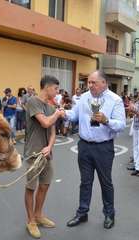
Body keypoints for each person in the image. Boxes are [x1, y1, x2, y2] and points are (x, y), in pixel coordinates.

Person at [65, 70, 126, 229]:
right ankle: (82, 213)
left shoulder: (115, 100)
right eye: (89, 82)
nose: (89, 85)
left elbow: (121, 125)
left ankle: (109, 214)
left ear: (104, 83)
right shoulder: (84, 97)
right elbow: (74, 115)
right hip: (84, 145)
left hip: (103, 148)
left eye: (93, 82)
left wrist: (106, 120)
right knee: (85, 182)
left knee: (106, 182)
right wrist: (61, 113)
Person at [23, 75, 65, 239]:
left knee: (45, 184)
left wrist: (50, 146)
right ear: (47, 87)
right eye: (55, 88)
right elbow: (45, 123)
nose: (57, 92)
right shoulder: (33, 101)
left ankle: (39, 215)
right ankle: (30, 220)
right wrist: (57, 114)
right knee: (31, 187)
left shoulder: (50, 106)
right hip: (34, 153)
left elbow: (53, 132)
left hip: (46, 153)